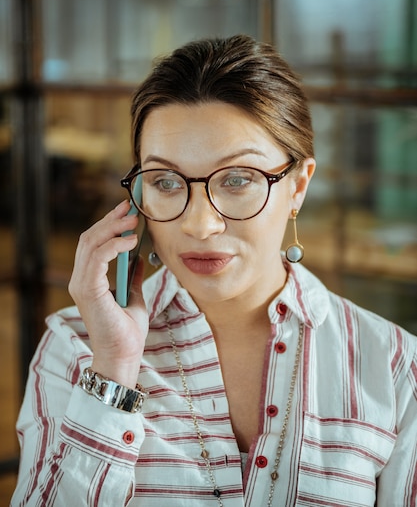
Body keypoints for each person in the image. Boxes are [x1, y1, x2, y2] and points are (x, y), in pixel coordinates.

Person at [12, 35, 417, 507]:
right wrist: (115, 370)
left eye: (239, 179)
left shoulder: (393, 368)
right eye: (165, 181)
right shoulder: (75, 349)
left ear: (298, 187)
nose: (200, 224)